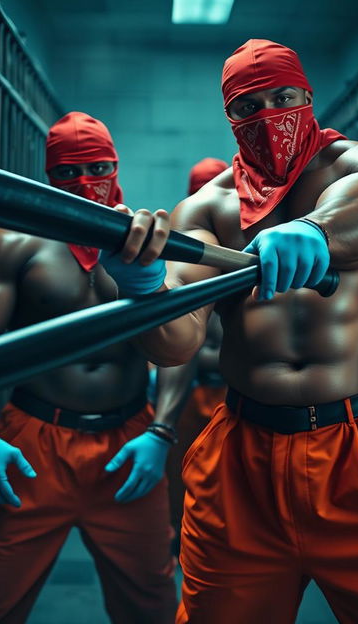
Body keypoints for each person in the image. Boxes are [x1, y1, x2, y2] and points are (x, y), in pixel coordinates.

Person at [101, 39, 358, 623]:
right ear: (229, 117)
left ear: (308, 96)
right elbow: (178, 343)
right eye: (247, 107)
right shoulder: (209, 210)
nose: (267, 117)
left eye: (282, 98)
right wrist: (142, 289)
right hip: (242, 458)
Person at [0, 112, 177, 623]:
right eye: (69, 173)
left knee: (153, 602)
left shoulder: (148, 246)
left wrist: (161, 432)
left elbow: (178, 338)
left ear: (116, 164)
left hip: (128, 438)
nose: (85, 182)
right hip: (34, 441)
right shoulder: (14, 244)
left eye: (98, 167)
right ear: (49, 177)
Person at [155, 157, 229, 544]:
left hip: (232, 393)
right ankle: (179, 540)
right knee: (182, 475)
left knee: (229, 484)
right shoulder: (186, 253)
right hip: (195, 388)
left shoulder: (245, 252)